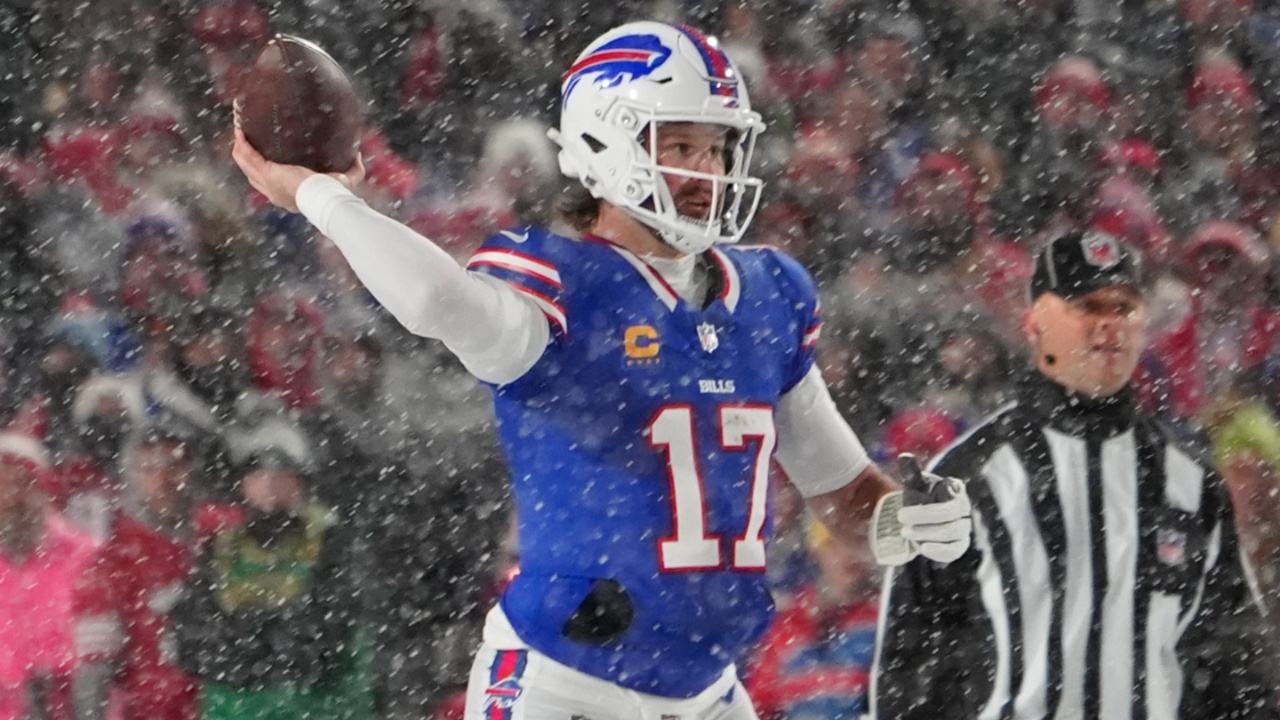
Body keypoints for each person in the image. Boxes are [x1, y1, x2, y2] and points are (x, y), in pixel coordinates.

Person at [231, 20, 972, 718]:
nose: (707, 169)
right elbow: (433, 298)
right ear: (604, 143)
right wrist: (318, 193)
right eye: (680, 144)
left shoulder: (767, 295)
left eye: (717, 148)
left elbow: (842, 493)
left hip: (709, 689)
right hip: (565, 685)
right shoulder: (563, 285)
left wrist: (907, 523)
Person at [872, 230, 1279, 719]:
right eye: (1086, 307)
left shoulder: (1192, 482)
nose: (1109, 324)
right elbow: (912, 664)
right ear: (1035, 324)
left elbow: (1236, 668)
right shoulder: (966, 479)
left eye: (1123, 307)